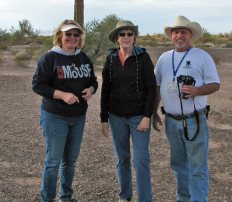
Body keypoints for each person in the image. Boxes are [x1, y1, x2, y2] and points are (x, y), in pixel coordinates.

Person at [153, 16, 220, 202]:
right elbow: (157, 86)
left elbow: (215, 84)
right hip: (171, 121)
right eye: (176, 32)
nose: (179, 35)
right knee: (178, 164)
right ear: (171, 36)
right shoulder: (164, 58)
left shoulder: (202, 56)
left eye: (183, 32)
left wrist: (198, 90)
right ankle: (183, 197)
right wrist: (152, 112)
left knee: (197, 166)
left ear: (190, 35)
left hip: (194, 120)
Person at [32, 19, 98, 202]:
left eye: (76, 34)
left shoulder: (83, 57)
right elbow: (37, 85)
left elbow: (93, 81)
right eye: (68, 34)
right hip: (55, 116)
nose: (72, 37)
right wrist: (62, 94)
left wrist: (91, 90)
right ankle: (48, 199)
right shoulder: (50, 57)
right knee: (53, 162)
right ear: (60, 36)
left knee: (70, 161)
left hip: (78, 117)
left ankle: (66, 197)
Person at [100, 20, 156, 202]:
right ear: (117, 39)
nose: (125, 37)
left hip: (139, 117)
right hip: (116, 117)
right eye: (121, 34)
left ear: (134, 37)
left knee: (141, 160)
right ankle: (125, 196)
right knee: (122, 158)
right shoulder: (111, 58)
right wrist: (103, 118)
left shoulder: (143, 58)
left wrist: (147, 116)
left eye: (129, 34)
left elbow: (151, 89)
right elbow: (105, 89)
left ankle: (145, 199)